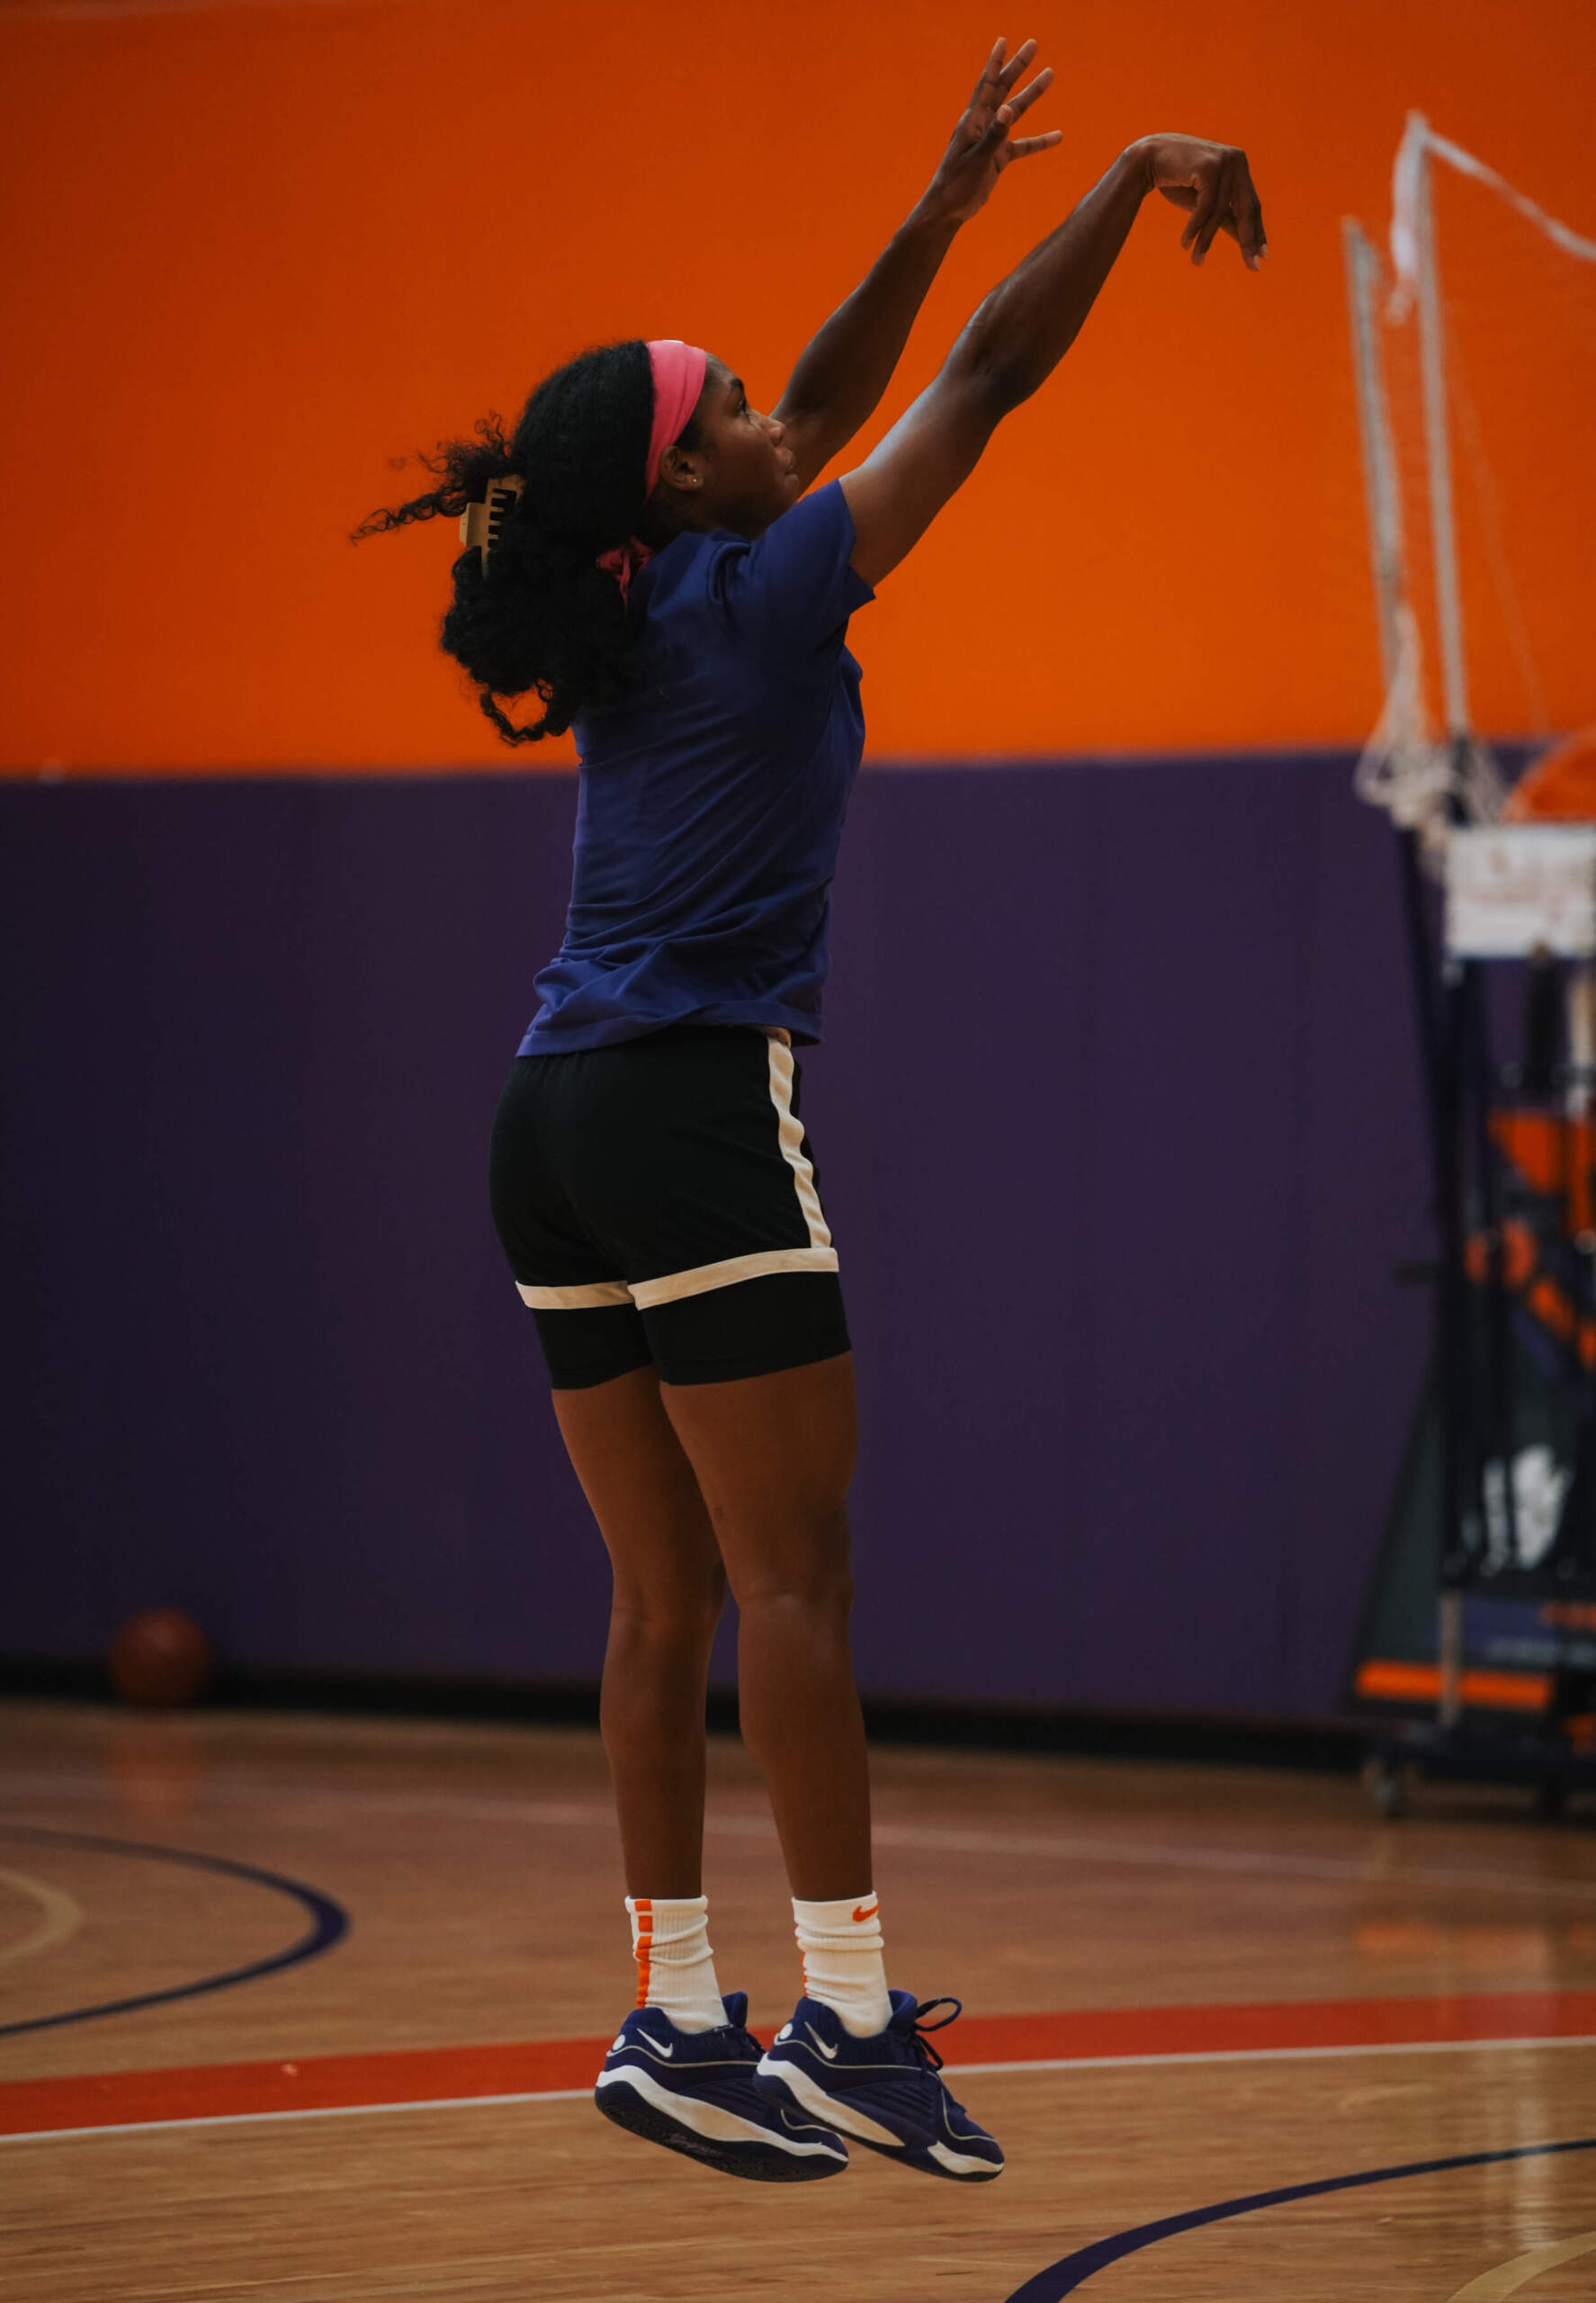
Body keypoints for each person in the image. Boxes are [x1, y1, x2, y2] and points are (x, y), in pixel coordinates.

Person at [356, 36, 1266, 2184]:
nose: (786, 418)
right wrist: (1124, 174)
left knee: (659, 1595)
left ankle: (674, 2007)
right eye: (740, 409)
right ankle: (845, 2015)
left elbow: (827, 405)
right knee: (795, 1583)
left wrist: (938, 194)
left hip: (545, 1125)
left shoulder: (640, 586)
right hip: (688, 1108)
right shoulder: (765, 594)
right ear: (688, 480)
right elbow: (977, 380)